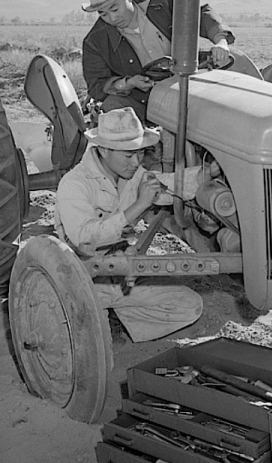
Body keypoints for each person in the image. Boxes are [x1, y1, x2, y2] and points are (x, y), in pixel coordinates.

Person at [54, 106, 203, 342]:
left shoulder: (131, 172)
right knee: (76, 338)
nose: (136, 162)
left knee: (190, 305)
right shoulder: (74, 183)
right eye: (128, 155)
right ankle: (98, 314)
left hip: (120, 272)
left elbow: (166, 186)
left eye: (140, 153)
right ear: (103, 149)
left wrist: (206, 176)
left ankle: (118, 314)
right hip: (82, 278)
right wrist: (140, 205)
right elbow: (85, 238)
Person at [81, 0, 235, 122]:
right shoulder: (94, 42)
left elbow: (198, 13)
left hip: (189, 87)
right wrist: (128, 83)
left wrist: (221, 41)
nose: (112, 18)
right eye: (103, 14)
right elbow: (97, 85)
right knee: (112, 108)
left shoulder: (161, 3)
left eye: (115, 9)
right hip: (145, 103)